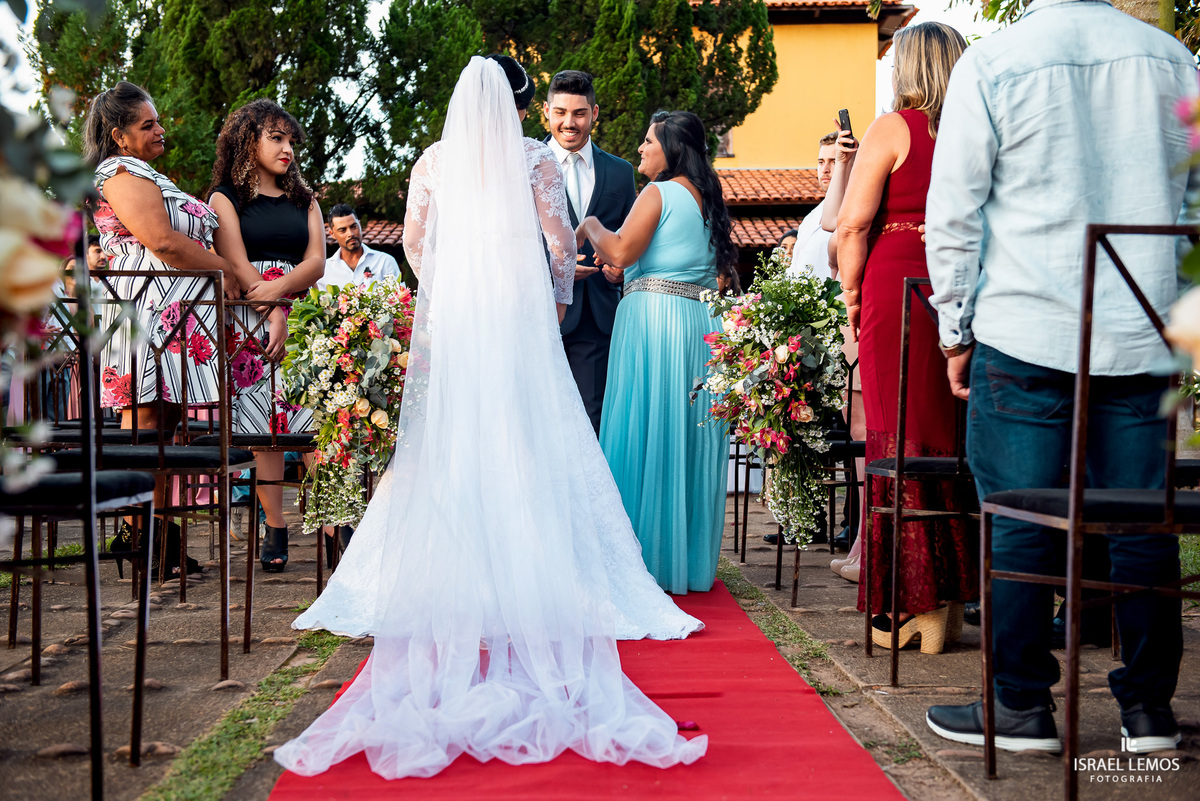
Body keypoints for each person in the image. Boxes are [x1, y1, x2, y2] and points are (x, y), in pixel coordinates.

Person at [274, 55, 705, 780]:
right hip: (515, 313)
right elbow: (559, 241)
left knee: (450, 440)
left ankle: (462, 562)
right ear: (516, 104)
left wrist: (444, 287)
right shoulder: (533, 159)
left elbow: (413, 242)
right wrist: (558, 299)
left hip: (459, 312)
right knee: (529, 436)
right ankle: (529, 562)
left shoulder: (434, 161)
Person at [924, 0, 1198, 754]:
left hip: (1026, 327)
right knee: (1144, 522)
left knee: (1018, 521)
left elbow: (955, 212)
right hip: (1145, 331)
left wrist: (956, 328)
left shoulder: (996, 60)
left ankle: (1021, 707)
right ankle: (1148, 713)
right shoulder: (1174, 60)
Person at [836, 21, 973, 654]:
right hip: (960, 282)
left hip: (897, 286)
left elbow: (853, 225)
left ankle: (908, 605)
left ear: (909, 68)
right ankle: (948, 600)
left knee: (895, 438)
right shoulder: (975, 129)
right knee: (946, 440)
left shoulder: (894, 127)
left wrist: (851, 305)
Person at [580, 111, 739, 595]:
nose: (641, 150)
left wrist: (588, 225)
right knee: (684, 438)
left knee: (647, 428)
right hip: (696, 325)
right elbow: (665, 262)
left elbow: (622, 250)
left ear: (670, 148)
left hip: (655, 327)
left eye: (648, 141)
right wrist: (625, 270)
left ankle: (640, 561)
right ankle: (686, 563)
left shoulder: (658, 192)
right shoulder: (707, 199)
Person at [86, 80, 234, 576]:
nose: (160, 129)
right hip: (141, 316)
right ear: (118, 136)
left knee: (166, 435)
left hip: (170, 319)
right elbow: (162, 241)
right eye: (147, 124)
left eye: (158, 121)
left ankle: (160, 540)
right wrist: (225, 270)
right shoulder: (118, 172)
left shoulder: (146, 173)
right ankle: (139, 538)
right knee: (144, 431)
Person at [208, 99, 326, 573]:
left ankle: (336, 523)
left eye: (290, 140)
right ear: (247, 140)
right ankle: (275, 527)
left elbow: (316, 262)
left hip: (303, 319)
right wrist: (272, 307)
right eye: (275, 138)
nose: (287, 149)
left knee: (316, 425)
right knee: (265, 433)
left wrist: (282, 305)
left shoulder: (305, 199)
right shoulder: (224, 198)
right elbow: (236, 265)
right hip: (248, 325)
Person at [544, 70, 638, 434]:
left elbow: (630, 240)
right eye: (561, 112)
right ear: (546, 112)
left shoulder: (620, 172)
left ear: (594, 113)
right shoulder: (523, 167)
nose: (570, 122)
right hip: (538, 312)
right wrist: (556, 270)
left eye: (579, 113)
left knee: (590, 420)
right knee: (540, 421)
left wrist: (622, 269)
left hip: (596, 315)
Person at [318, 203, 402, 290]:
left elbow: (398, 299)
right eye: (343, 230)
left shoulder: (384, 262)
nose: (351, 234)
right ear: (332, 234)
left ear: (360, 225)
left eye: (354, 227)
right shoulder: (325, 271)